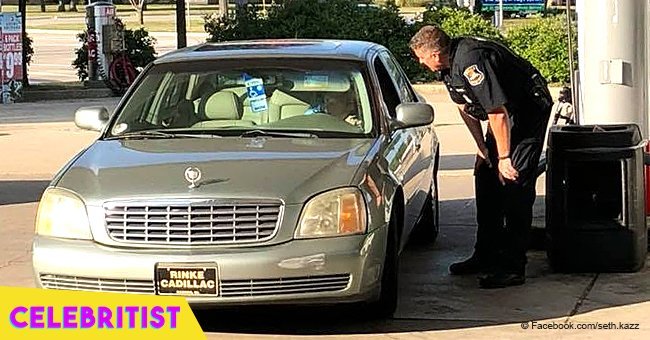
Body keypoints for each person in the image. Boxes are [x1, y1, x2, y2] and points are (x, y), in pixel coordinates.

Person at [410, 25, 553, 288]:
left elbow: (497, 112)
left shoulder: (471, 61)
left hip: (526, 111)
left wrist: (505, 157)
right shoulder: (448, 67)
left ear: (435, 54)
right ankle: (485, 254)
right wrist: (483, 149)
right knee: (485, 176)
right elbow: (465, 107)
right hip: (501, 116)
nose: (420, 62)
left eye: (421, 57)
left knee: (514, 182)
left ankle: (512, 266)